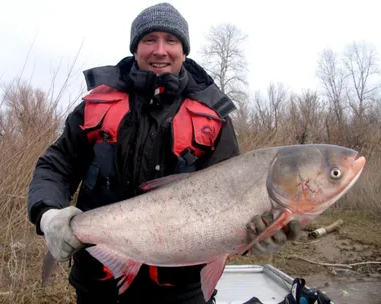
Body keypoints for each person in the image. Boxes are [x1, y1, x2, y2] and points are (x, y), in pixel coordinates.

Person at [27, 3, 300, 304]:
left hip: (182, 292)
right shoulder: (94, 107)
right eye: (149, 40)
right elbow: (55, 165)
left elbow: (234, 204)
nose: (160, 50)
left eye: (171, 41)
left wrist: (255, 237)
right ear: (135, 49)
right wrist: (47, 213)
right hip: (99, 286)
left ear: (184, 51)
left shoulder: (214, 120)